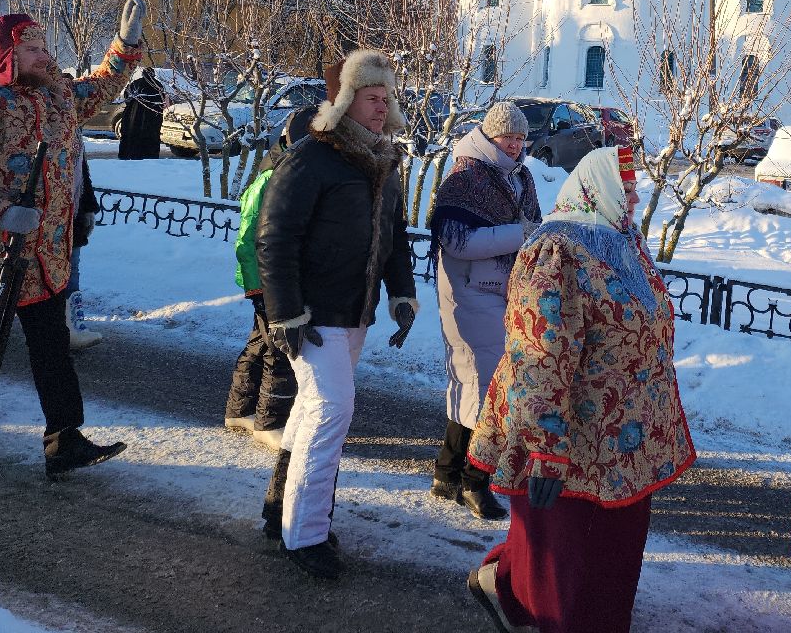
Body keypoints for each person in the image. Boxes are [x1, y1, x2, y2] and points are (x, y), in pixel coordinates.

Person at [0, 0, 147, 478]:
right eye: (32, 47)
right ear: (2, 56)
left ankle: (65, 440)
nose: (44, 55)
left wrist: (124, 47)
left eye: (44, 45)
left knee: (52, 348)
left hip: (44, 258)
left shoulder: (56, 95)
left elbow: (100, 85)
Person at [466, 146, 695, 633]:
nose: (632, 199)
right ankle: (518, 599)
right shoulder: (557, 251)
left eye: (636, 189)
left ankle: (517, 591)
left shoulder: (622, 239)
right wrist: (547, 448)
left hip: (624, 439)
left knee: (611, 554)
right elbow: (539, 357)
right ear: (597, 187)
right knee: (568, 559)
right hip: (572, 439)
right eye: (625, 188)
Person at [256, 50, 418, 580]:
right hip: (312, 313)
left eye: (386, 99)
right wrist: (286, 314)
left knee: (310, 412)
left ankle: (281, 509)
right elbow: (276, 239)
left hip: (355, 312)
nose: (382, 108)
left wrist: (401, 294)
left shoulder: (383, 164)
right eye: (373, 98)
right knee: (330, 414)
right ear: (346, 101)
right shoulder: (311, 157)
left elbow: (394, 242)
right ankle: (304, 536)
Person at [428, 101, 541, 521]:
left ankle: (447, 473)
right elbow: (456, 240)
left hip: (505, 291)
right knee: (486, 388)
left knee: (476, 387)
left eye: (520, 138)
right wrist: (519, 234)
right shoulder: (465, 176)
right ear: (490, 137)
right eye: (507, 138)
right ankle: (475, 483)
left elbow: (533, 225)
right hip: (468, 291)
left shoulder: (521, 176)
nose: (514, 145)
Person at [223, 108, 312, 451]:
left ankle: (239, 410)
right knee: (278, 346)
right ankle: (270, 421)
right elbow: (249, 238)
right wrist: (258, 287)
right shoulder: (272, 177)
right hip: (265, 280)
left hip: (273, 279)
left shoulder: (292, 172)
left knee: (260, 343)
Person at [64, 149, 103, 351]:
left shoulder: (71, 122)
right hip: (39, 213)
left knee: (71, 267)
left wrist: (87, 206)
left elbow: (80, 163)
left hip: (72, 210)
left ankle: (72, 328)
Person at [117, 66, 164, 160]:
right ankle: (150, 156)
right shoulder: (158, 85)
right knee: (151, 137)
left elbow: (127, 97)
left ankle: (130, 155)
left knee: (132, 135)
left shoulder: (136, 83)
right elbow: (161, 101)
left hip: (134, 116)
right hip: (152, 117)